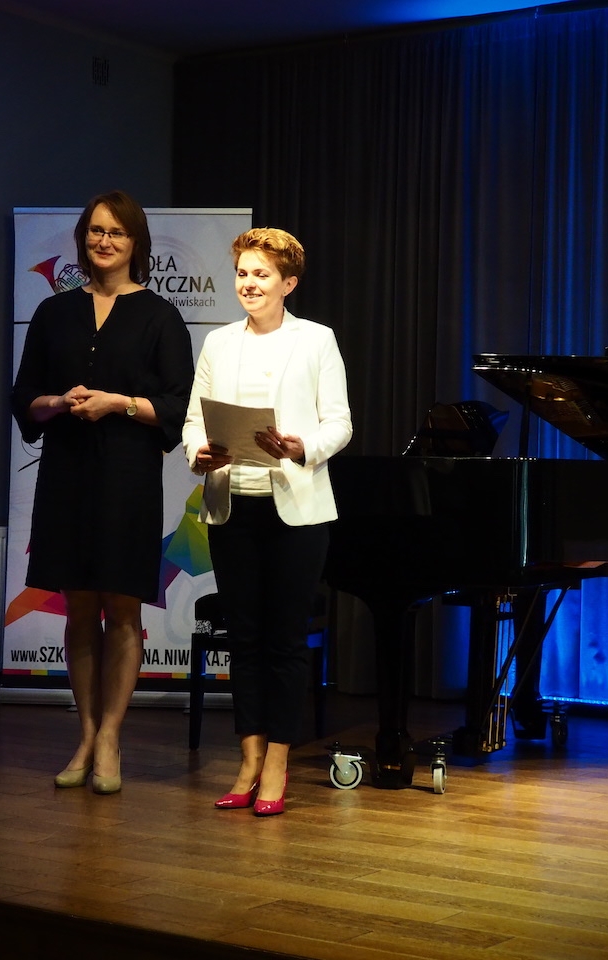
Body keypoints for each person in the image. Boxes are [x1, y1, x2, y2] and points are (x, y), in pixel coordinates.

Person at [12, 191, 193, 794]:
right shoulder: (53, 313)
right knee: (79, 608)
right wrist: (58, 401)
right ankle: (86, 734)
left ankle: (112, 736)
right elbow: (24, 399)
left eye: (116, 232)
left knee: (123, 610)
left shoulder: (160, 317)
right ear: (82, 239)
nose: (104, 241)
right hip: (65, 475)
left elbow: (177, 407)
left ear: (136, 242)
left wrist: (119, 404)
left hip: (127, 479)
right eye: (95, 231)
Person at [182, 227, 352, 816]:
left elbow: (340, 423)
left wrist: (302, 447)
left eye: (261, 274)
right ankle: (248, 758)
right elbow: (193, 421)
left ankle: (277, 760)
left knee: (284, 639)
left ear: (288, 283)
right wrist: (199, 452)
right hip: (232, 506)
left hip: (295, 510)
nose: (249, 284)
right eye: (242, 273)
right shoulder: (218, 343)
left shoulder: (317, 340)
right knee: (244, 638)